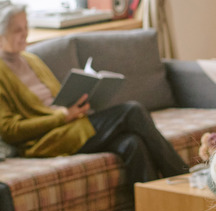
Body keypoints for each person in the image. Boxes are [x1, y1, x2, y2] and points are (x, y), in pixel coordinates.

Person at [0, 2, 186, 184]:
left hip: (70, 124)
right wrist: (62, 117)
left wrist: (79, 103)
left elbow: (57, 99)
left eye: (26, 27)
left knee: (132, 143)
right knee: (132, 111)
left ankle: (154, 208)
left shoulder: (31, 59)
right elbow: (10, 130)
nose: (25, 33)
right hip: (46, 139)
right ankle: (182, 176)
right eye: (17, 30)